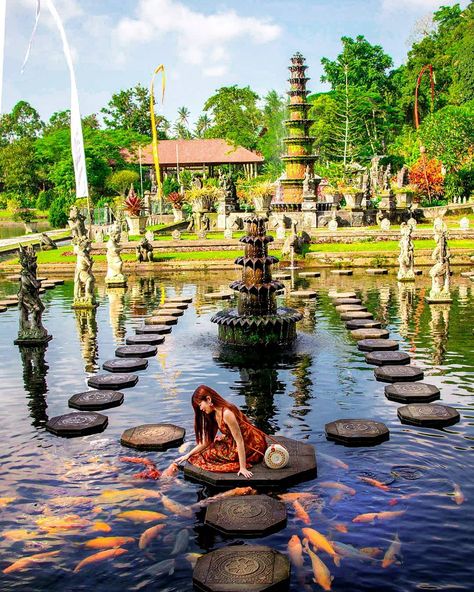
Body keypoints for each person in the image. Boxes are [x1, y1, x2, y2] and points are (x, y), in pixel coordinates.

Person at [175, 385, 267, 478]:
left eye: (200, 405)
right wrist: (188, 455)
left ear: (208, 399)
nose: (201, 409)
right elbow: (208, 441)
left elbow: (240, 441)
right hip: (232, 441)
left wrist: (242, 467)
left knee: (210, 455)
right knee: (204, 452)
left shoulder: (227, 413)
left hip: (251, 444)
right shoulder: (214, 413)